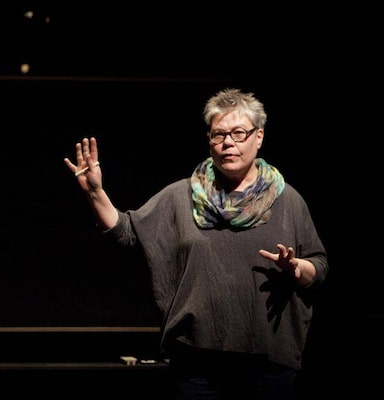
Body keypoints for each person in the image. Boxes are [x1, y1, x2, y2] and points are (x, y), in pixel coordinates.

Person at [63, 88, 328, 399]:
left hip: (269, 364)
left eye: (238, 133)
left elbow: (318, 266)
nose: (228, 142)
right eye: (219, 134)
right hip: (197, 363)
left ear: (258, 137)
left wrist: (297, 267)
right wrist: (95, 193)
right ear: (209, 140)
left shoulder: (287, 200)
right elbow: (127, 231)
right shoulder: (181, 196)